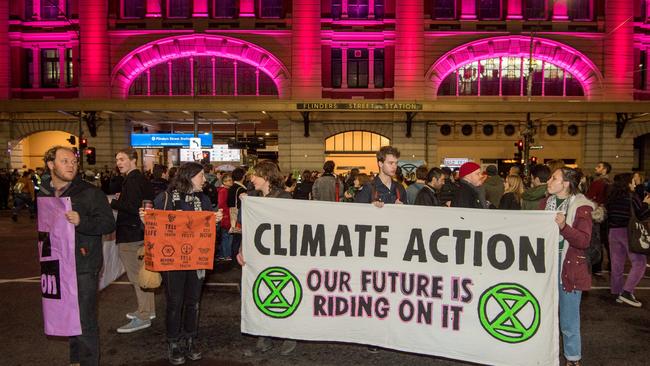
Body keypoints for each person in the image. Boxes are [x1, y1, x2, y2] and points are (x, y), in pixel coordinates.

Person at [139, 162, 222, 365]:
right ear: (189, 176)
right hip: (171, 261)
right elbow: (154, 228)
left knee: (193, 302)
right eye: (201, 176)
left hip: (196, 260)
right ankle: (173, 342)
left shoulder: (202, 199)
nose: (205, 179)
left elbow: (211, 235)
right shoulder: (165, 198)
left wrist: (215, 223)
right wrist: (146, 221)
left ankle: (190, 339)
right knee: (175, 303)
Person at [39, 146, 115, 366]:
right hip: (55, 263)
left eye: (73, 162)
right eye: (65, 161)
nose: (71, 166)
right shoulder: (44, 191)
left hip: (84, 265)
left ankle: (89, 361)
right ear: (51, 165)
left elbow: (108, 224)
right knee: (67, 314)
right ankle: (76, 360)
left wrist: (82, 222)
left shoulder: (90, 192)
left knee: (85, 318)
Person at [236, 160, 297, 356]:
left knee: (283, 292)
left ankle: (289, 334)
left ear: (267, 177)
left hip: (279, 253)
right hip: (257, 254)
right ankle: (265, 333)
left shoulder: (284, 198)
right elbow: (246, 228)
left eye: (255, 175)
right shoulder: (251, 197)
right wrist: (241, 249)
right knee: (259, 291)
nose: (251, 179)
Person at [541, 167, 594, 366]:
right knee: (544, 313)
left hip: (569, 267)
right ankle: (546, 354)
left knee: (568, 318)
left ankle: (573, 358)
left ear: (565, 184)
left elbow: (584, 240)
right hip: (546, 266)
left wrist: (564, 227)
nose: (548, 181)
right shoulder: (545, 203)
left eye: (553, 178)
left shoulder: (582, 207)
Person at [111, 148, 156, 334]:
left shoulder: (133, 180)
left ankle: (144, 316)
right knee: (144, 275)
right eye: (117, 159)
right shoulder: (140, 179)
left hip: (130, 234)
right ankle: (148, 310)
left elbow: (133, 207)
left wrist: (114, 203)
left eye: (122, 159)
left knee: (137, 278)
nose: (119, 163)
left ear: (133, 160)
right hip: (139, 232)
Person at [605, 173, 650, 307]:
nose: (635, 184)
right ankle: (627, 292)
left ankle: (617, 291)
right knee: (640, 262)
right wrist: (646, 204)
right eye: (633, 182)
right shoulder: (632, 197)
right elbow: (641, 215)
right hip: (628, 232)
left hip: (613, 232)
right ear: (627, 183)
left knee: (617, 264)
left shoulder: (612, 198)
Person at [586, 161, 612, 275]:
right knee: (606, 240)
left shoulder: (597, 183)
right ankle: (612, 264)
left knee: (597, 239)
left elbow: (589, 198)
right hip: (608, 214)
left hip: (597, 214)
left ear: (605, 170)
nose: (596, 168)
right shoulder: (611, 183)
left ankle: (597, 265)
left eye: (599, 167)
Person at [217, 173, 234, 261]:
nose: (231, 182)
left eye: (231, 180)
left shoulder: (226, 190)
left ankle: (224, 255)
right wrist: (228, 213)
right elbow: (221, 204)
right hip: (226, 217)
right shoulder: (223, 191)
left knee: (226, 236)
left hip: (227, 216)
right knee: (226, 236)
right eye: (228, 180)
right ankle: (226, 255)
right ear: (224, 181)